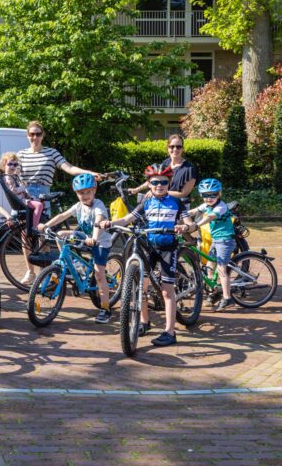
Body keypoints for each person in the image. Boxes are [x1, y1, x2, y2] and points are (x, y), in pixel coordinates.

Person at [100, 164, 195, 347]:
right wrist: (109, 222)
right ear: (149, 184)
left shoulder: (176, 202)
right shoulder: (146, 202)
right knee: (141, 287)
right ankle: (144, 322)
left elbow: (190, 223)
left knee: (167, 291)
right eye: (154, 182)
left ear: (169, 183)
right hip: (149, 247)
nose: (159, 185)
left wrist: (185, 227)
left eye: (163, 182)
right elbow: (128, 219)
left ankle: (169, 332)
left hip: (168, 248)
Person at [38, 174, 114, 324]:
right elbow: (63, 215)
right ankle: (73, 263)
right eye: (81, 193)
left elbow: (98, 222)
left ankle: (105, 309)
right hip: (84, 236)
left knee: (99, 275)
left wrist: (94, 237)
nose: (84, 196)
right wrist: (46, 226)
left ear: (94, 190)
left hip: (100, 242)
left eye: (88, 192)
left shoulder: (98, 205)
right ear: (76, 193)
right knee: (60, 235)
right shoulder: (78, 206)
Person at [17, 120, 99, 214]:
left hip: (43, 193)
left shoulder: (52, 153)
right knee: (21, 225)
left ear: (42, 135)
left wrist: (90, 173)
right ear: (27, 136)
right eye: (32, 134)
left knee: (42, 225)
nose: (35, 137)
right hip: (25, 194)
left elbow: (70, 168)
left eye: (38, 134)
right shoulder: (21, 154)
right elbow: (14, 173)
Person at [186, 178, 235, 311]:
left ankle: (227, 298)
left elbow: (209, 217)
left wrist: (196, 225)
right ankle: (215, 290)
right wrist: (181, 213)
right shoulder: (207, 205)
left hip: (225, 240)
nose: (209, 198)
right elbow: (195, 211)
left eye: (213, 194)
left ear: (219, 194)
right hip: (216, 240)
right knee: (209, 265)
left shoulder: (221, 206)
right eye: (205, 195)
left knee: (221, 269)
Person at [0, 152, 45, 283]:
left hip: (22, 200)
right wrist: (23, 187)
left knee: (38, 204)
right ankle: (34, 227)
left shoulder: (14, 176)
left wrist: (26, 192)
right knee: (39, 207)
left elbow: (21, 190)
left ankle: (42, 272)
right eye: (10, 164)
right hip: (20, 203)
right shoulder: (8, 177)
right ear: (4, 165)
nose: (13, 166)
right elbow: (13, 190)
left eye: (15, 164)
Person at [130, 134, 198, 210]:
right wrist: (137, 189)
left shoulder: (189, 169)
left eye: (178, 147)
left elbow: (184, 193)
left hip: (179, 206)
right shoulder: (166, 163)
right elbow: (154, 179)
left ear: (182, 149)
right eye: (172, 146)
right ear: (168, 148)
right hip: (162, 203)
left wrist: (156, 193)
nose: (175, 149)